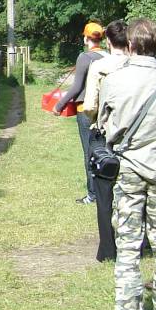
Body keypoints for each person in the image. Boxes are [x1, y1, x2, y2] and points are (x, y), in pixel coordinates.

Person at [95, 18, 156, 310]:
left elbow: (103, 123)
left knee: (129, 243)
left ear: (130, 45)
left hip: (129, 169)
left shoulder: (114, 81)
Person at [79, 19, 130, 262]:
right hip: (135, 137)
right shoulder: (139, 64)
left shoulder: (101, 67)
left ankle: (108, 248)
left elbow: (90, 105)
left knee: (105, 191)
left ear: (109, 41)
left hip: (107, 134)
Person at [53, 22, 107, 205]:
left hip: (85, 110)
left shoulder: (84, 57)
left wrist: (59, 105)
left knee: (89, 152)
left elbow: (76, 87)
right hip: (104, 111)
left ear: (86, 38)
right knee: (105, 150)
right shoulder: (108, 56)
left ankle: (92, 194)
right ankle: (106, 189)